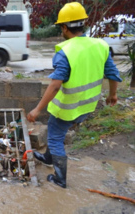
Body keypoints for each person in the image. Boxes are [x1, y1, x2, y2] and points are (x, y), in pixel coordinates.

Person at [26, 2, 122, 188]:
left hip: (67, 108)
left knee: (55, 137)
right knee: (56, 130)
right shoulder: (100, 45)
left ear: (64, 27)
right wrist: (113, 95)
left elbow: (55, 85)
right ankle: (48, 157)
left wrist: (37, 109)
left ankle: (60, 179)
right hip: (86, 106)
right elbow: (113, 73)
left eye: (61, 27)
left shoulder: (66, 51)